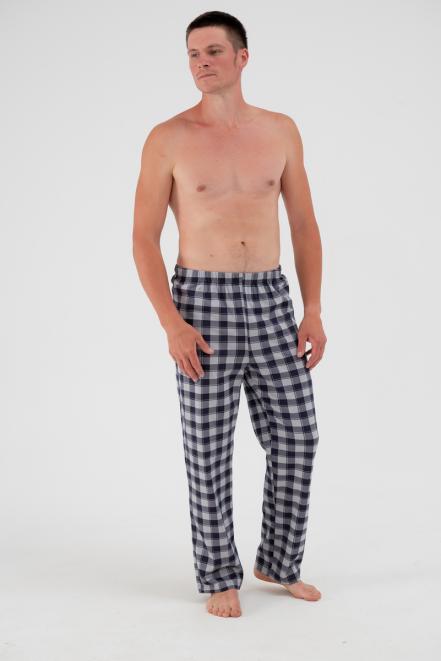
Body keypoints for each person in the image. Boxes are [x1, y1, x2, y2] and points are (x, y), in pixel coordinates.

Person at [132, 10, 327, 618]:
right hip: (201, 302)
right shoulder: (168, 137)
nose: (201, 63)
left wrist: (313, 308)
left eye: (213, 51)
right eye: (193, 54)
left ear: (242, 57)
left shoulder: (281, 130)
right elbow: (143, 238)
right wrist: (171, 322)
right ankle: (219, 574)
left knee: (297, 435)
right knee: (208, 447)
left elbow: (303, 225)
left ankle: (278, 562)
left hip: (271, 298)